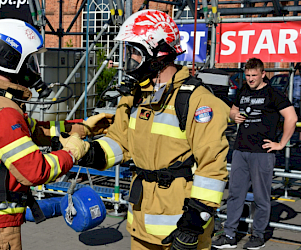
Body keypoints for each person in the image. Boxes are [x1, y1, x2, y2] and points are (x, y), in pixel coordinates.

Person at [64, 9, 230, 250]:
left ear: (157, 54)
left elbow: (212, 170)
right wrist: (83, 151)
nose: (129, 59)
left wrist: (192, 227)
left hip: (180, 232)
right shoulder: (134, 98)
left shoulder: (197, 101)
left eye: (134, 52)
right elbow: (119, 145)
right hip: (140, 226)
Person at [0, 18, 113, 249]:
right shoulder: (3, 112)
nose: (34, 69)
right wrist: (72, 153)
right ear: (11, 59)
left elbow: (38, 130)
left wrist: (83, 127)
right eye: (30, 60)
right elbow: (35, 171)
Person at [212, 58, 297, 250]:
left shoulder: (273, 93)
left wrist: (281, 144)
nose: (250, 79)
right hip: (241, 149)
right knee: (235, 195)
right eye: (248, 75)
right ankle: (229, 235)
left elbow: (291, 117)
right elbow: (232, 110)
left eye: (253, 76)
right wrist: (235, 116)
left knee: (261, 197)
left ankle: (257, 236)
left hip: (262, 153)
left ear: (262, 74)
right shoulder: (243, 90)